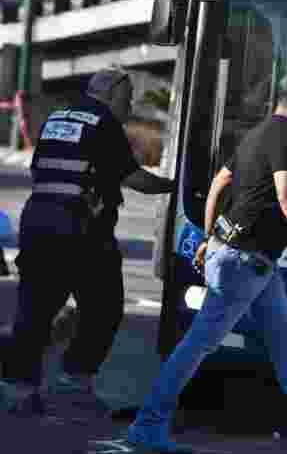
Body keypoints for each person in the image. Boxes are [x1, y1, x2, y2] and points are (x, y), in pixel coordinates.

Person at [126, 73, 287, 454]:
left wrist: (208, 237)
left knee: (286, 344)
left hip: (249, 258)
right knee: (199, 343)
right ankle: (147, 425)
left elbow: (220, 183)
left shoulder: (258, 133)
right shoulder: (286, 136)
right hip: (244, 260)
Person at [0, 68, 175, 416]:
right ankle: (74, 380)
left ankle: (20, 389)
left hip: (38, 223)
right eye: (126, 99)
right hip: (80, 230)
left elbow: (41, 169)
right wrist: (175, 186)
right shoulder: (103, 121)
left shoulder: (58, 117)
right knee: (106, 306)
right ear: (109, 94)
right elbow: (134, 177)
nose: (128, 107)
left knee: (34, 309)